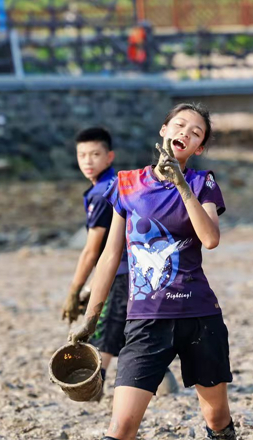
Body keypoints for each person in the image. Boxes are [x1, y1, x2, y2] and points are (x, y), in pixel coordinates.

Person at [67, 103, 238, 440]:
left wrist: (180, 183)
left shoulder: (202, 183)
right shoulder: (126, 184)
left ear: (199, 148)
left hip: (198, 317)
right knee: (121, 425)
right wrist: (91, 318)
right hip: (145, 319)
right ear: (164, 129)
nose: (187, 133)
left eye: (197, 133)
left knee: (216, 418)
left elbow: (210, 239)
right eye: (181, 125)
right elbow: (112, 256)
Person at [60, 127, 179, 400]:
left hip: (124, 274)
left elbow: (93, 251)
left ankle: (90, 391)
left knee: (104, 332)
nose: (88, 160)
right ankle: (165, 384)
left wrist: (73, 291)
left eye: (95, 154)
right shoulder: (112, 185)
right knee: (126, 331)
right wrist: (90, 287)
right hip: (133, 271)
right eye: (82, 155)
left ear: (109, 156)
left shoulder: (103, 192)